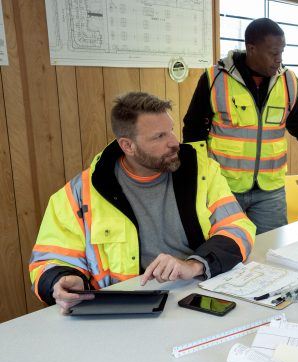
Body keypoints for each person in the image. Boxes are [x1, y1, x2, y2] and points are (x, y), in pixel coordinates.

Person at [29, 92, 256, 312]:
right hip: (121, 308)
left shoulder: (203, 171)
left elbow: (237, 229)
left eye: (171, 131)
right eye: (159, 137)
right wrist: (60, 280)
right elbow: (48, 260)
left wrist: (194, 264)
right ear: (128, 146)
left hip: (197, 293)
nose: (175, 142)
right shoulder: (81, 192)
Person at [183, 18, 298, 234]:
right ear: (251, 48)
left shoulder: (288, 80)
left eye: (282, 52)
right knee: (224, 248)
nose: (279, 59)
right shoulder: (214, 79)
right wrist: (195, 174)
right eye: (273, 53)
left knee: (272, 248)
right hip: (223, 186)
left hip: (270, 189)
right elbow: (193, 128)